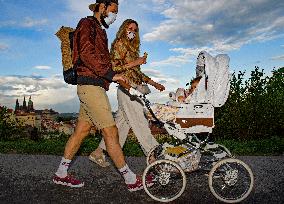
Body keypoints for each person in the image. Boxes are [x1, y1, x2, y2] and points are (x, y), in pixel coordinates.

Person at [53, 0, 152, 192]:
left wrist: (117, 76)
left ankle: (61, 174)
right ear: (102, 7)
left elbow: (104, 63)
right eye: (113, 11)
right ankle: (131, 179)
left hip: (93, 86)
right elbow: (87, 53)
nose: (114, 16)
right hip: (90, 86)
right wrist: (110, 74)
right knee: (111, 132)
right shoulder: (87, 23)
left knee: (81, 131)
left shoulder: (101, 30)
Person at [89, 19, 165, 167]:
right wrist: (135, 62)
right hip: (128, 89)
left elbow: (136, 73)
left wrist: (154, 83)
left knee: (120, 126)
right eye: (130, 28)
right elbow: (113, 69)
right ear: (124, 29)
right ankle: (154, 156)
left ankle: (99, 152)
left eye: (135, 30)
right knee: (140, 122)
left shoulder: (131, 48)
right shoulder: (119, 44)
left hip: (134, 87)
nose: (132, 32)